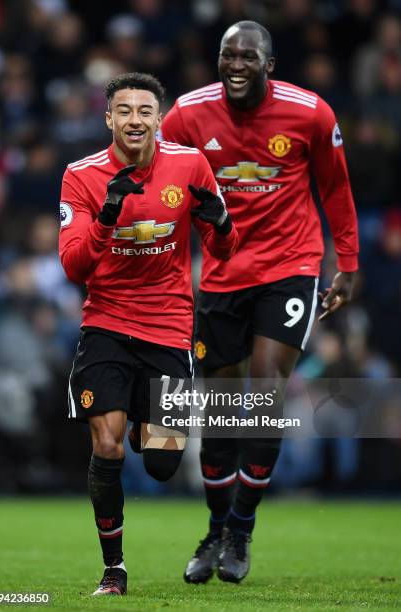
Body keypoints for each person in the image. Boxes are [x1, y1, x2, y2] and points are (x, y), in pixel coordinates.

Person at [161, 21, 359, 583]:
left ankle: (242, 531)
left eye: (248, 56)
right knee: (221, 415)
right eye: (228, 55)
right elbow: (164, 183)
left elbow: (336, 188)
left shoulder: (310, 113)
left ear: (269, 64)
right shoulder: (187, 114)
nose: (237, 64)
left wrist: (347, 263)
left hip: (290, 266)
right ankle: (216, 528)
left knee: (265, 391)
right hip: (223, 274)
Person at [59, 72, 238, 596]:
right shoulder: (81, 175)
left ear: (158, 119)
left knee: (160, 464)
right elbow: (74, 266)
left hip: (168, 327)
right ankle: (114, 571)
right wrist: (107, 217)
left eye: (144, 111)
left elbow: (224, 252)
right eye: (124, 111)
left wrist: (221, 222)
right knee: (108, 443)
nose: (134, 120)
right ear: (108, 118)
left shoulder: (190, 164)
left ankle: (145, 417)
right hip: (107, 325)